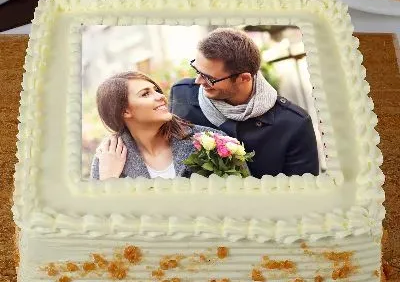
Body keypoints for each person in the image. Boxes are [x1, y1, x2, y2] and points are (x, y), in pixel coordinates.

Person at [169, 27, 319, 179]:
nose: (198, 81)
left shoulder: (294, 124)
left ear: (244, 78)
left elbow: (301, 190)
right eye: (197, 70)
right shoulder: (182, 94)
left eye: (209, 78)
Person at [90, 71, 226, 180]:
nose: (161, 96)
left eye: (156, 90)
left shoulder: (213, 142)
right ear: (124, 111)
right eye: (145, 94)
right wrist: (109, 180)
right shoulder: (106, 160)